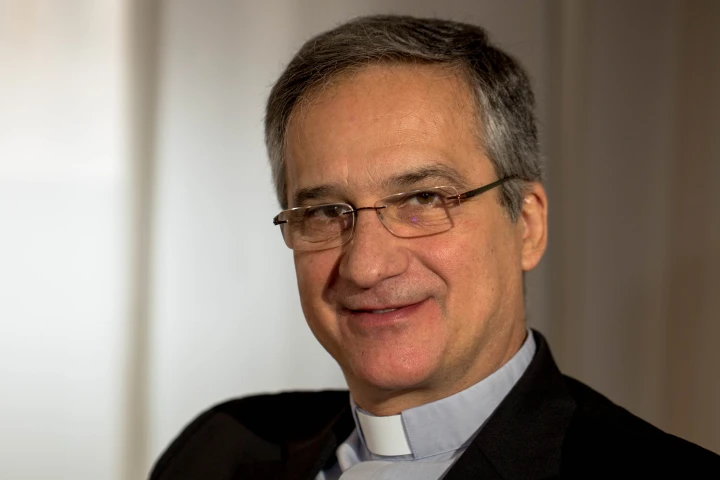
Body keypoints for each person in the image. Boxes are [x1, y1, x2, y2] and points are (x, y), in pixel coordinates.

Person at [150, 15, 720, 480]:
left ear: (526, 225)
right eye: (325, 212)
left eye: (422, 198)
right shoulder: (219, 449)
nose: (366, 266)